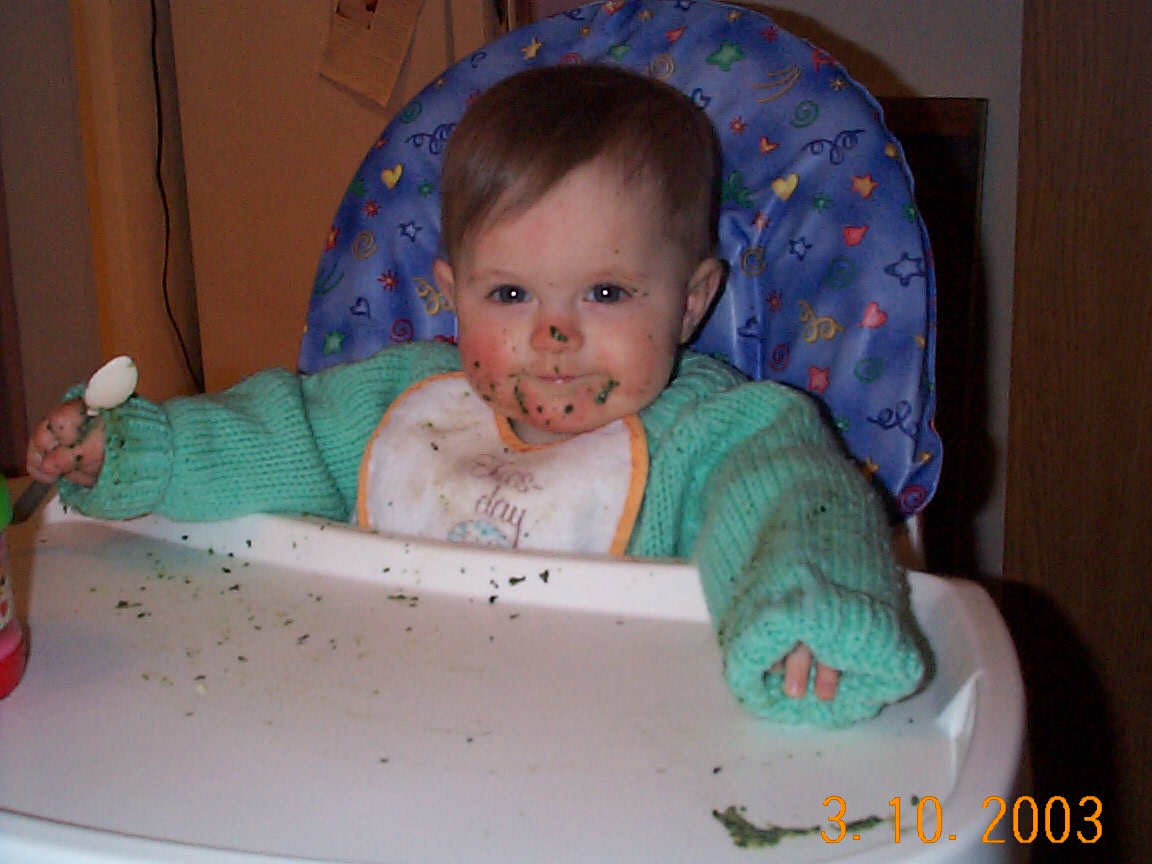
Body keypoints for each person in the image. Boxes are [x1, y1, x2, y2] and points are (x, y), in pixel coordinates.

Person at [26, 65, 925, 726]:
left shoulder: (718, 431)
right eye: (510, 294)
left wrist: (807, 613)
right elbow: (266, 437)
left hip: (607, 745)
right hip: (361, 717)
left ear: (691, 302)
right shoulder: (400, 406)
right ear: (451, 294)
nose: (555, 334)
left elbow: (794, 502)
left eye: (606, 292)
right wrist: (130, 450)